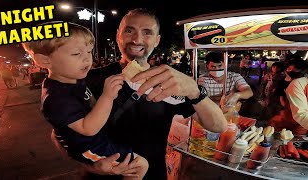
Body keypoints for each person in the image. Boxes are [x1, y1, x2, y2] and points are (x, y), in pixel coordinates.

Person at [83, 8, 227, 179]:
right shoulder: (91, 80)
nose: (137, 40)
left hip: (152, 173)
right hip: (99, 176)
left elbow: (219, 126)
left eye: (147, 33)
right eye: (129, 31)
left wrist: (195, 91)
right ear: (118, 35)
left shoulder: (168, 80)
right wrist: (91, 167)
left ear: (157, 40)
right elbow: (59, 133)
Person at [22, 22, 149, 180]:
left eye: (89, 52)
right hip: (91, 147)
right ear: (44, 60)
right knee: (140, 165)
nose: (87, 59)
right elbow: (87, 129)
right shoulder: (57, 97)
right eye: (76, 54)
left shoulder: (72, 79)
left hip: (100, 141)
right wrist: (107, 96)